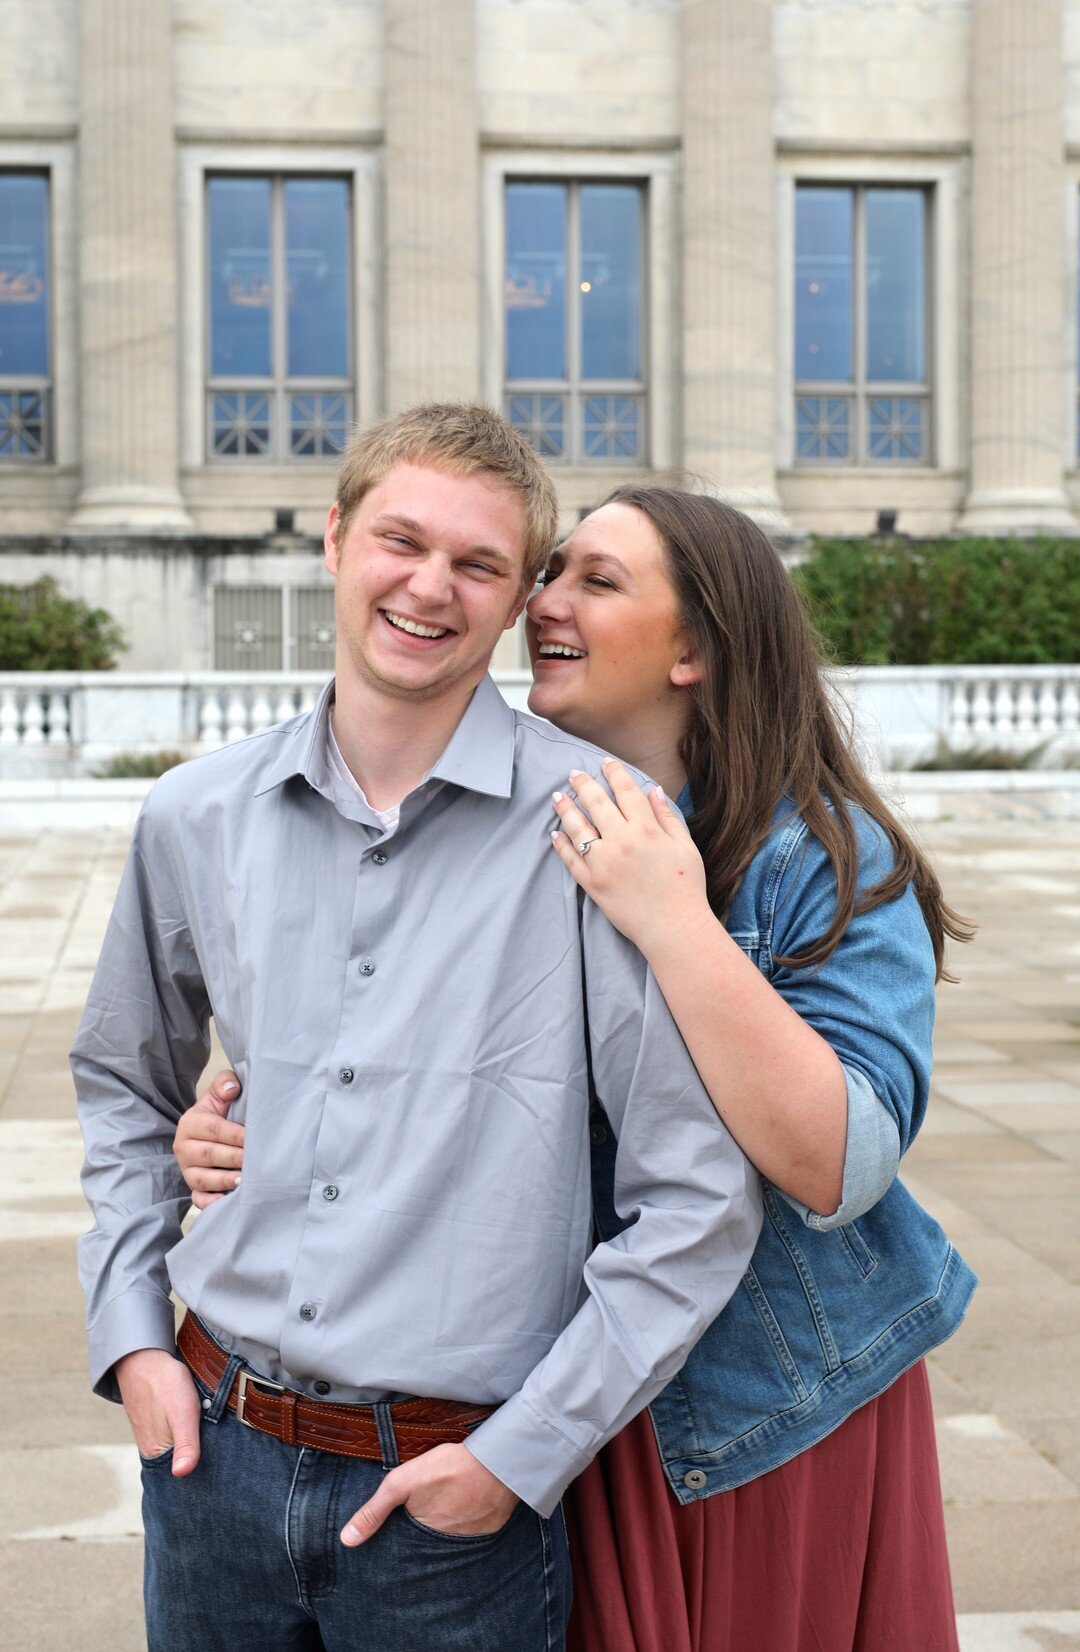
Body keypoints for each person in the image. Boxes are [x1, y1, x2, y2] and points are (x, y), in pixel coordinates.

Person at [177, 483, 977, 1651]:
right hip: (557, 1386)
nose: (543, 599)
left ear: (697, 647)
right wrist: (243, 1127)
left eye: (596, 580)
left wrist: (677, 917)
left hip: (758, 1402)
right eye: (549, 571)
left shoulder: (821, 858)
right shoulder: (518, 824)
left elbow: (839, 1162)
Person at [72, 410, 763, 1652]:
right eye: (401, 539)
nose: (429, 586)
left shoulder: (604, 830)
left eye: (480, 564)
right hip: (205, 1461)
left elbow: (699, 1198)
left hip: (453, 1509)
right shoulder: (193, 816)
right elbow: (123, 1086)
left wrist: (517, 1455)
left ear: (514, 607)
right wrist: (131, 1340)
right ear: (337, 540)